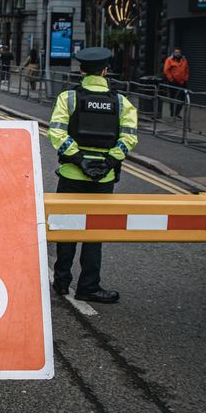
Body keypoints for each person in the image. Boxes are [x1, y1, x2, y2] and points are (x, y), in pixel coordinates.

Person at [48, 47, 139, 304]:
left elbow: (56, 133)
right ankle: (89, 286)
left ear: (81, 70)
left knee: (66, 230)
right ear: (105, 70)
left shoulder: (69, 98)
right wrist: (109, 161)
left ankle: (62, 282)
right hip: (104, 181)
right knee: (94, 233)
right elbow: (129, 138)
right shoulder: (122, 103)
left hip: (71, 175)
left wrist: (79, 159)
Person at [163, 47, 189, 118]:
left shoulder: (184, 60)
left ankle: (177, 112)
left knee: (183, 98)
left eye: (179, 52)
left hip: (182, 82)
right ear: (174, 53)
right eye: (176, 52)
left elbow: (187, 70)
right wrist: (171, 80)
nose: (178, 54)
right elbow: (166, 71)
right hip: (173, 82)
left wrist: (185, 79)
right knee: (173, 98)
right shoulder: (169, 60)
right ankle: (172, 113)